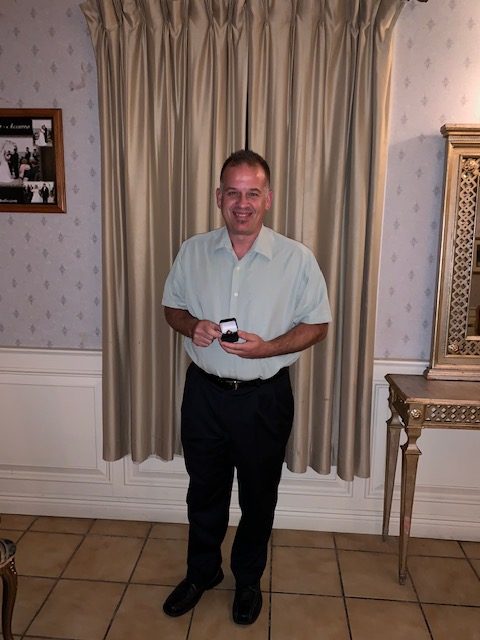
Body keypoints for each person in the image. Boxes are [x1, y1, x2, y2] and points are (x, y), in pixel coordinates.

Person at [161, 149, 331, 625]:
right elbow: (172, 308)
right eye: (233, 193)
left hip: (264, 399)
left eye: (252, 193)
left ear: (267, 198)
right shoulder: (193, 251)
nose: (242, 203)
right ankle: (202, 573)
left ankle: (248, 580)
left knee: (259, 497)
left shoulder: (297, 260)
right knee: (204, 492)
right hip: (204, 396)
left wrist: (268, 348)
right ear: (218, 197)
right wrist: (191, 325)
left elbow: (318, 325)